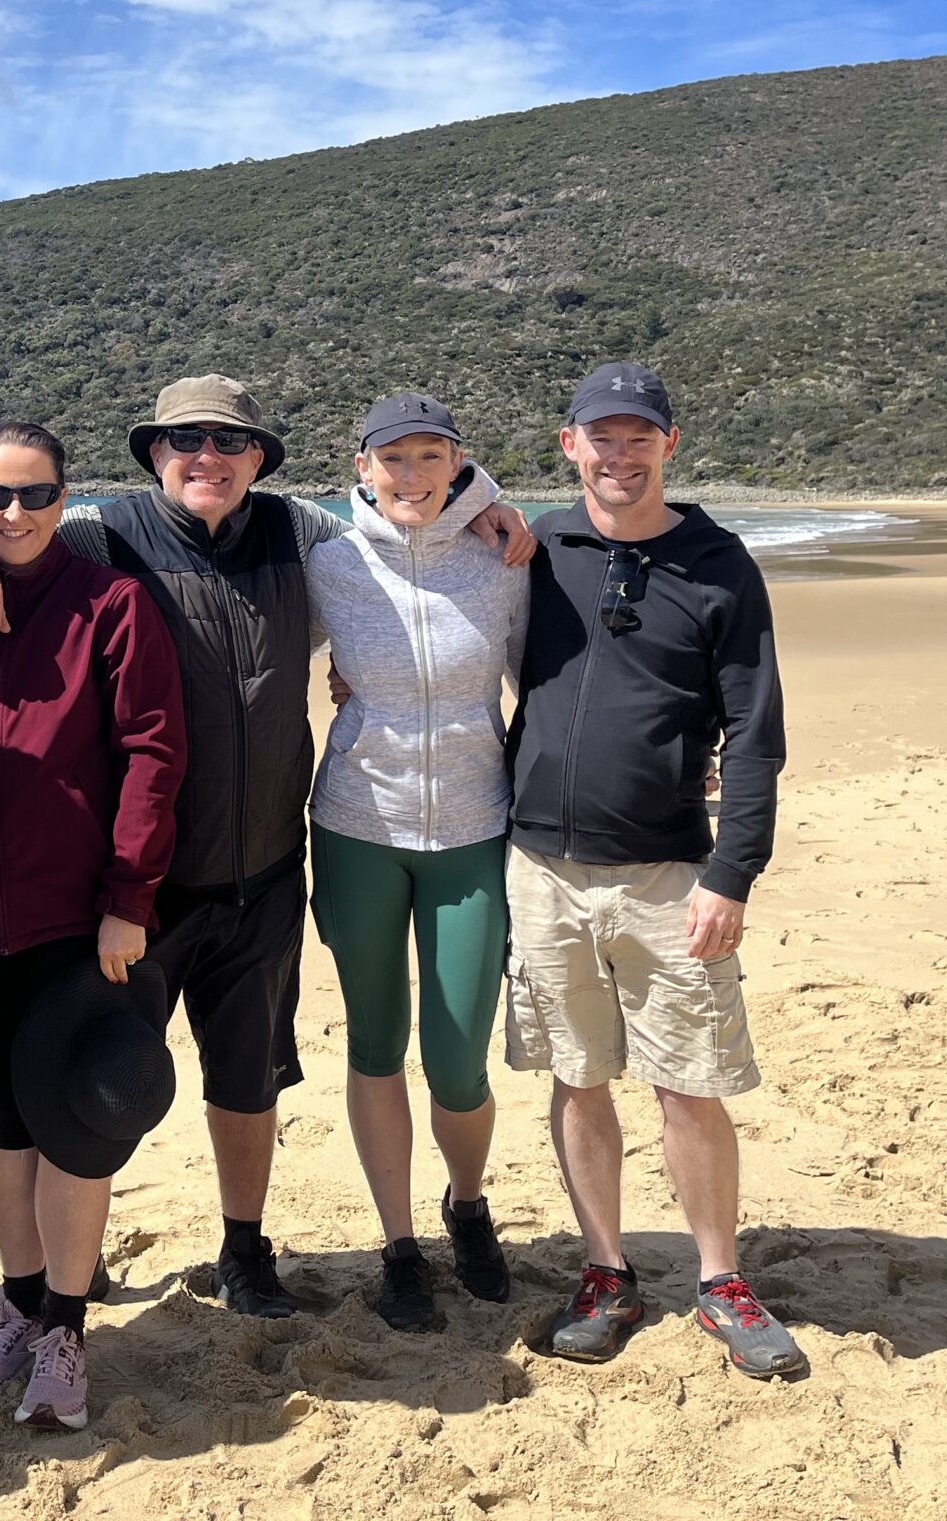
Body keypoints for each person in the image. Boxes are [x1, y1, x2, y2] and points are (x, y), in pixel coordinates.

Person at [0, 375, 534, 1317]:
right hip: (137, 885)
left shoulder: (301, 537)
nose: (205, 457)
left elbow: (404, 514)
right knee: (90, 1077)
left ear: (259, 458)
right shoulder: (108, 536)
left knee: (247, 1081)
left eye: (228, 441)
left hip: (262, 871)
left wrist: (489, 502)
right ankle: (69, 1264)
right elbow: (21, 531)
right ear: (153, 453)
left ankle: (245, 1249)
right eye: (183, 439)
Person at [503, 360, 805, 1379]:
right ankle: (606, 1273)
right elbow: (422, 545)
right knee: (578, 1077)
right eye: (601, 436)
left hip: (671, 873)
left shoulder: (719, 565)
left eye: (639, 437)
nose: (618, 453)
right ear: (568, 445)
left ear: (668, 446)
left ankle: (720, 1281)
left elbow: (755, 737)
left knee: (688, 1084)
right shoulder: (537, 545)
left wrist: (733, 872)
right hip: (539, 863)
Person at [0, 421, 187, 1431]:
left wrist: (130, 900)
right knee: (4, 1121)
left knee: (78, 1127)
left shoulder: (110, 604)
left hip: (79, 922)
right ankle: (25, 1303)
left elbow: (153, 753)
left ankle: (70, 1330)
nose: (15, 515)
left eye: (35, 494)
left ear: (62, 497)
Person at [305, 393, 531, 1332]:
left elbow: (556, 683)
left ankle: (466, 1204)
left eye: (429, 457)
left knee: (458, 1059)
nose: (409, 475)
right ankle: (399, 1243)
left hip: (474, 831)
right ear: (361, 468)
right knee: (373, 1042)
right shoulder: (326, 563)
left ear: (457, 464)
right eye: (390, 459)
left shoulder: (505, 561)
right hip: (357, 829)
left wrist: (496, 504)